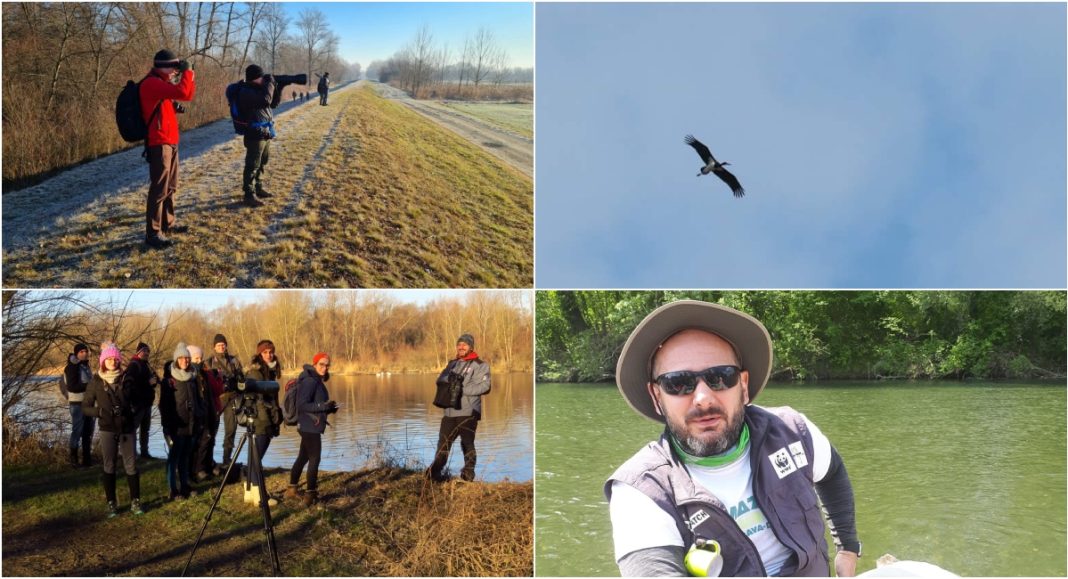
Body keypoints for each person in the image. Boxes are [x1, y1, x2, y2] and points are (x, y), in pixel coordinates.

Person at [606, 300, 861, 577]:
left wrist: (847, 548)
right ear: (657, 397)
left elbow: (832, 472)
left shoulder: (793, 431)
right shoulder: (642, 493)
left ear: (743, 385)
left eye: (720, 377)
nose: (703, 398)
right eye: (678, 383)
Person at [140, 49, 196, 249]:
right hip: (159, 143)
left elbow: (186, 93)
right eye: (173, 67)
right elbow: (184, 93)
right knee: (159, 188)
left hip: (170, 141)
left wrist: (186, 75)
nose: (175, 71)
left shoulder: (161, 84)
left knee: (170, 186)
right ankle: (153, 233)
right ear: (161, 66)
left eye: (177, 68)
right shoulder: (151, 83)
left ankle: (168, 224)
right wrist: (187, 72)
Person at [82, 343, 143, 517]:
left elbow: (139, 401)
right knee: (109, 465)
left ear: (119, 361)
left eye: (115, 359)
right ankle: (111, 503)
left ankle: (135, 502)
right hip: (107, 428)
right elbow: (85, 407)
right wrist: (99, 412)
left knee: (131, 465)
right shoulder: (96, 381)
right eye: (108, 359)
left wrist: (131, 412)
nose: (112, 362)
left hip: (127, 428)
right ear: (103, 361)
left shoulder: (127, 379)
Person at [427, 334, 491, 482]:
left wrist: (462, 388)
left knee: (467, 442)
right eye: (459, 344)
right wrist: (449, 383)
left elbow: (485, 386)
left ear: (471, 347)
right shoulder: (452, 364)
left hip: (469, 411)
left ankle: (468, 475)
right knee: (443, 443)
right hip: (450, 411)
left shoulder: (481, 365)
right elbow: (440, 380)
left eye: (465, 345)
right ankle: (433, 474)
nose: (461, 347)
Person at [286, 352, 338, 506]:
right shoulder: (310, 381)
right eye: (321, 364)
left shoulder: (317, 380)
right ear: (314, 364)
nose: (325, 367)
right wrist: (323, 406)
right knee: (315, 458)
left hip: (310, 425)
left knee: (303, 457)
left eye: (327, 365)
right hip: (310, 426)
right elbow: (302, 405)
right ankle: (311, 495)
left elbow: (314, 404)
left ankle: (292, 489)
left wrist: (329, 409)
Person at [160, 343, 207, 500]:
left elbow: (198, 400)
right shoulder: (169, 382)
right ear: (176, 360)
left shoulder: (193, 378)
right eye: (181, 358)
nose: (185, 361)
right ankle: (173, 490)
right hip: (176, 426)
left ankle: (185, 486)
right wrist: (168, 427)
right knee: (174, 458)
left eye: (187, 358)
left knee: (186, 457)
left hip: (192, 424)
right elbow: (163, 407)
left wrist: (200, 416)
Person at [241, 339, 285, 506]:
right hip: (260, 420)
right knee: (257, 456)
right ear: (260, 354)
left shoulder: (269, 372)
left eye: (271, 351)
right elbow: (259, 401)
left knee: (254, 456)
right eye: (265, 352)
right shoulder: (256, 373)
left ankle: (250, 492)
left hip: (266, 417)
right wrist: (270, 421)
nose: (269, 354)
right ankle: (259, 496)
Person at [235, 64, 278, 208]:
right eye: (261, 76)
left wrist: (275, 86)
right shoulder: (245, 92)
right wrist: (270, 84)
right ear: (254, 78)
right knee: (252, 164)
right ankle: (249, 194)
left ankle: (258, 187)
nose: (263, 79)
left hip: (265, 132)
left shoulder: (257, 90)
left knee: (263, 161)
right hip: (254, 134)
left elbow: (273, 103)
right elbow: (266, 100)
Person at [204, 333, 244, 469]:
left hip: (232, 398)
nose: (221, 347)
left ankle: (226, 459)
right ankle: (207, 461)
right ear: (214, 347)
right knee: (210, 431)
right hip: (215, 400)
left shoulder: (234, 361)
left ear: (226, 346)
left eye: (223, 344)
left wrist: (238, 381)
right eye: (219, 345)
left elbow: (242, 378)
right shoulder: (209, 362)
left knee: (231, 429)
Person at [188, 345, 222, 480]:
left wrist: (218, 377)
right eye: (196, 358)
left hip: (209, 410)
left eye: (200, 358)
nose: (199, 361)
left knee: (209, 439)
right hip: (198, 413)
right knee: (201, 441)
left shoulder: (205, 373)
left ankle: (206, 465)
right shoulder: (190, 375)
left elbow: (215, 390)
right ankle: (198, 469)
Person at [61, 343, 94, 468]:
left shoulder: (85, 366)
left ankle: (87, 460)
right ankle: (73, 460)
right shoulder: (71, 367)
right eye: (81, 352)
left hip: (88, 403)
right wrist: (89, 386)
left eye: (86, 351)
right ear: (76, 354)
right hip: (77, 404)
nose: (84, 353)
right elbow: (72, 387)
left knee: (87, 432)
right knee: (77, 431)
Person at [124, 342, 159, 460]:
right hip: (137, 403)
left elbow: (155, 381)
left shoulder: (147, 365)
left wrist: (154, 381)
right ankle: (132, 453)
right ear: (138, 352)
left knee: (145, 429)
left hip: (147, 403)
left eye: (148, 351)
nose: (147, 353)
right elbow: (131, 384)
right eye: (144, 351)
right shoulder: (133, 365)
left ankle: (144, 452)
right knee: (133, 428)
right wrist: (147, 383)